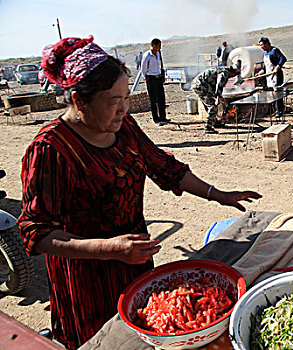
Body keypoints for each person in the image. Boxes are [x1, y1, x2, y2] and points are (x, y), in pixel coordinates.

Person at [18, 36, 262, 350]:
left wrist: (218, 194)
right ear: (78, 101)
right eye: (113, 100)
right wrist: (108, 248)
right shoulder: (51, 149)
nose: (124, 108)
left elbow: (164, 167)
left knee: (141, 335)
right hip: (86, 278)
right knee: (103, 342)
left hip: (133, 258)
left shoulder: (124, 127)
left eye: (125, 97)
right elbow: (36, 233)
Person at [191, 65, 241, 134]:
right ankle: (208, 127)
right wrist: (218, 96)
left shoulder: (222, 68)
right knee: (213, 106)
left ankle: (214, 122)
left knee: (209, 104)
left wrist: (219, 96)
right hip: (200, 86)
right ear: (233, 73)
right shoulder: (225, 73)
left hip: (198, 85)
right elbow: (219, 83)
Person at [257, 37, 287, 118]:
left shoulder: (274, 50)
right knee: (271, 93)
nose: (261, 47)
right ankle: (274, 110)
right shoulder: (265, 53)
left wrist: (277, 68)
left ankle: (280, 110)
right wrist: (260, 72)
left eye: (262, 45)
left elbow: (283, 59)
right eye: (260, 45)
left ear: (267, 44)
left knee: (277, 93)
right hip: (269, 76)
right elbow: (266, 67)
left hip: (276, 76)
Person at [141, 38, 168, 126]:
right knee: (153, 99)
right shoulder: (147, 55)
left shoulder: (158, 54)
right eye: (159, 46)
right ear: (154, 46)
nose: (160, 48)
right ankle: (156, 119)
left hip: (158, 77)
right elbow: (143, 69)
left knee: (161, 98)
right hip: (151, 78)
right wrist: (147, 78)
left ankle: (163, 117)